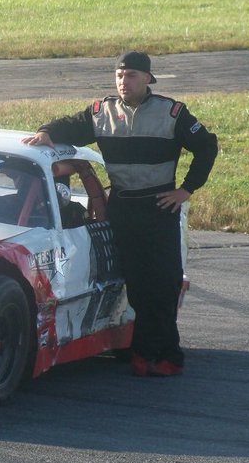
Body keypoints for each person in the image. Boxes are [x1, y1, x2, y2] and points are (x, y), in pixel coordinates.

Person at [22, 50, 218, 377]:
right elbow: (70, 126)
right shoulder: (102, 112)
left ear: (147, 79)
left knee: (164, 284)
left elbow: (207, 146)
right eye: (119, 75)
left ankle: (168, 357)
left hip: (159, 207)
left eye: (131, 75)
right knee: (137, 286)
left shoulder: (172, 112)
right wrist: (46, 132)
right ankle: (143, 354)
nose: (123, 82)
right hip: (123, 208)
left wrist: (186, 190)